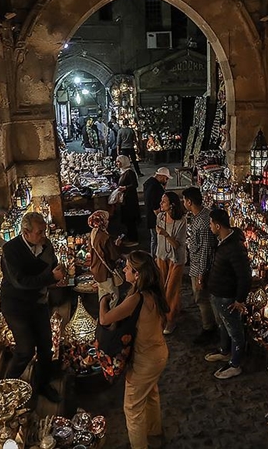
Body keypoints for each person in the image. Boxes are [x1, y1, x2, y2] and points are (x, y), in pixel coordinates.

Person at [99, 251, 169, 449]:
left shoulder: (136, 298)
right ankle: (154, 433)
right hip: (159, 354)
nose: (124, 270)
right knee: (151, 394)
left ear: (137, 274)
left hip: (145, 360)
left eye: (128, 268)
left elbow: (105, 319)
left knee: (132, 407)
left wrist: (102, 300)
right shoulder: (154, 292)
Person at [0, 212, 65, 403]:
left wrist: (56, 272)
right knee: (25, 349)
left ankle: (43, 384)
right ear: (26, 232)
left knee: (46, 347)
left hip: (38, 302)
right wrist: (49, 278)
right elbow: (20, 281)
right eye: (40, 232)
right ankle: (5, 387)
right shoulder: (10, 250)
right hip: (16, 305)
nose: (44, 236)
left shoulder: (45, 245)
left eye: (44, 231)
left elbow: (52, 265)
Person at [204, 208, 252, 380]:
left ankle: (236, 363)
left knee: (235, 330)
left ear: (218, 225)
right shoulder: (223, 242)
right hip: (218, 293)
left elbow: (244, 275)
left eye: (211, 224)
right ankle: (225, 350)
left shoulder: (234, 248)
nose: (209, 227)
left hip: (227, 296)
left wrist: (240, 299)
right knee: (223, 324)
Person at [182, 187, 218, 345]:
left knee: (202, 298)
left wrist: (201, 275)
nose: (183, 203)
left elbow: (205, 250)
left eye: (184, 200)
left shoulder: (203, 222)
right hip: (197, 264)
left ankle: (209, 327)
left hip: (201, 268)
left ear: (189, 202)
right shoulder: (200, 216)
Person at [155, 191, 187, 335]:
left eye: (164, 201)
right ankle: (175, 310)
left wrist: (166, 235)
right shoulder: (160, 217)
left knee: (171, 290)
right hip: (161, 256)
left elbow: (177, 245)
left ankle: (170, 320)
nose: (161, 203)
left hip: (176, 259)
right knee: (162, 287)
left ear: (172, 205)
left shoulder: (181, 222)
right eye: (161, 200)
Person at [88, 210, 121, 308]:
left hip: (96, 269)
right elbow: (113, 256)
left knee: (102, 294)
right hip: (104, 271)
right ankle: (110, 318)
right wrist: (117, 245)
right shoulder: (105, 237)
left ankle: (103, 315)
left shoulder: (93, 233)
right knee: (113, 296)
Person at [143, 168, 170, 253]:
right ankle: (155, 258)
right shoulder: (156, 187)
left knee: (154, 238)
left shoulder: (149, 182)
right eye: (166, 178)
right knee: (156, 239)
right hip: (154, 217)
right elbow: (155, 205)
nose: (167, 180)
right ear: (162, 176)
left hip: (150, 214)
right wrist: (161, 219)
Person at [117, 155, 141, 247]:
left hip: (130, 200)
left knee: (131, 220)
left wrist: (125, 187)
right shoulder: (123, 172)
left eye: (119, 162)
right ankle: (130, 237)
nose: (117, 164)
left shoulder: (129, 172)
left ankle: (134, 240)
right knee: (127, 220)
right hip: (125, 200)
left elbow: (134, 184)